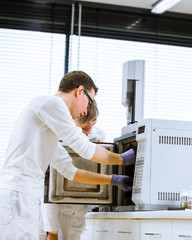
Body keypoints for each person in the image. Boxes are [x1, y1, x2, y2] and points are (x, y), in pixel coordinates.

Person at [0, 71, 135, 239]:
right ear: (79, 91)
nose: (86, 110)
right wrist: (121, 159)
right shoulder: (51, 104)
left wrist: (113, 179)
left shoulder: (47, 126)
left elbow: (70, 171)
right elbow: (83, 147)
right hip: (19, 193)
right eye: (89, 102)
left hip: (23, 195)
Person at [43, 102, 105, 240]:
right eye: (84, 122)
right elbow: (48, 188)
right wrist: (52, 231)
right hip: (53, 206)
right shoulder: (57, 137)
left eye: (93, 120)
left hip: (77, 205)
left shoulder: (97, 135)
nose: (89, 126)